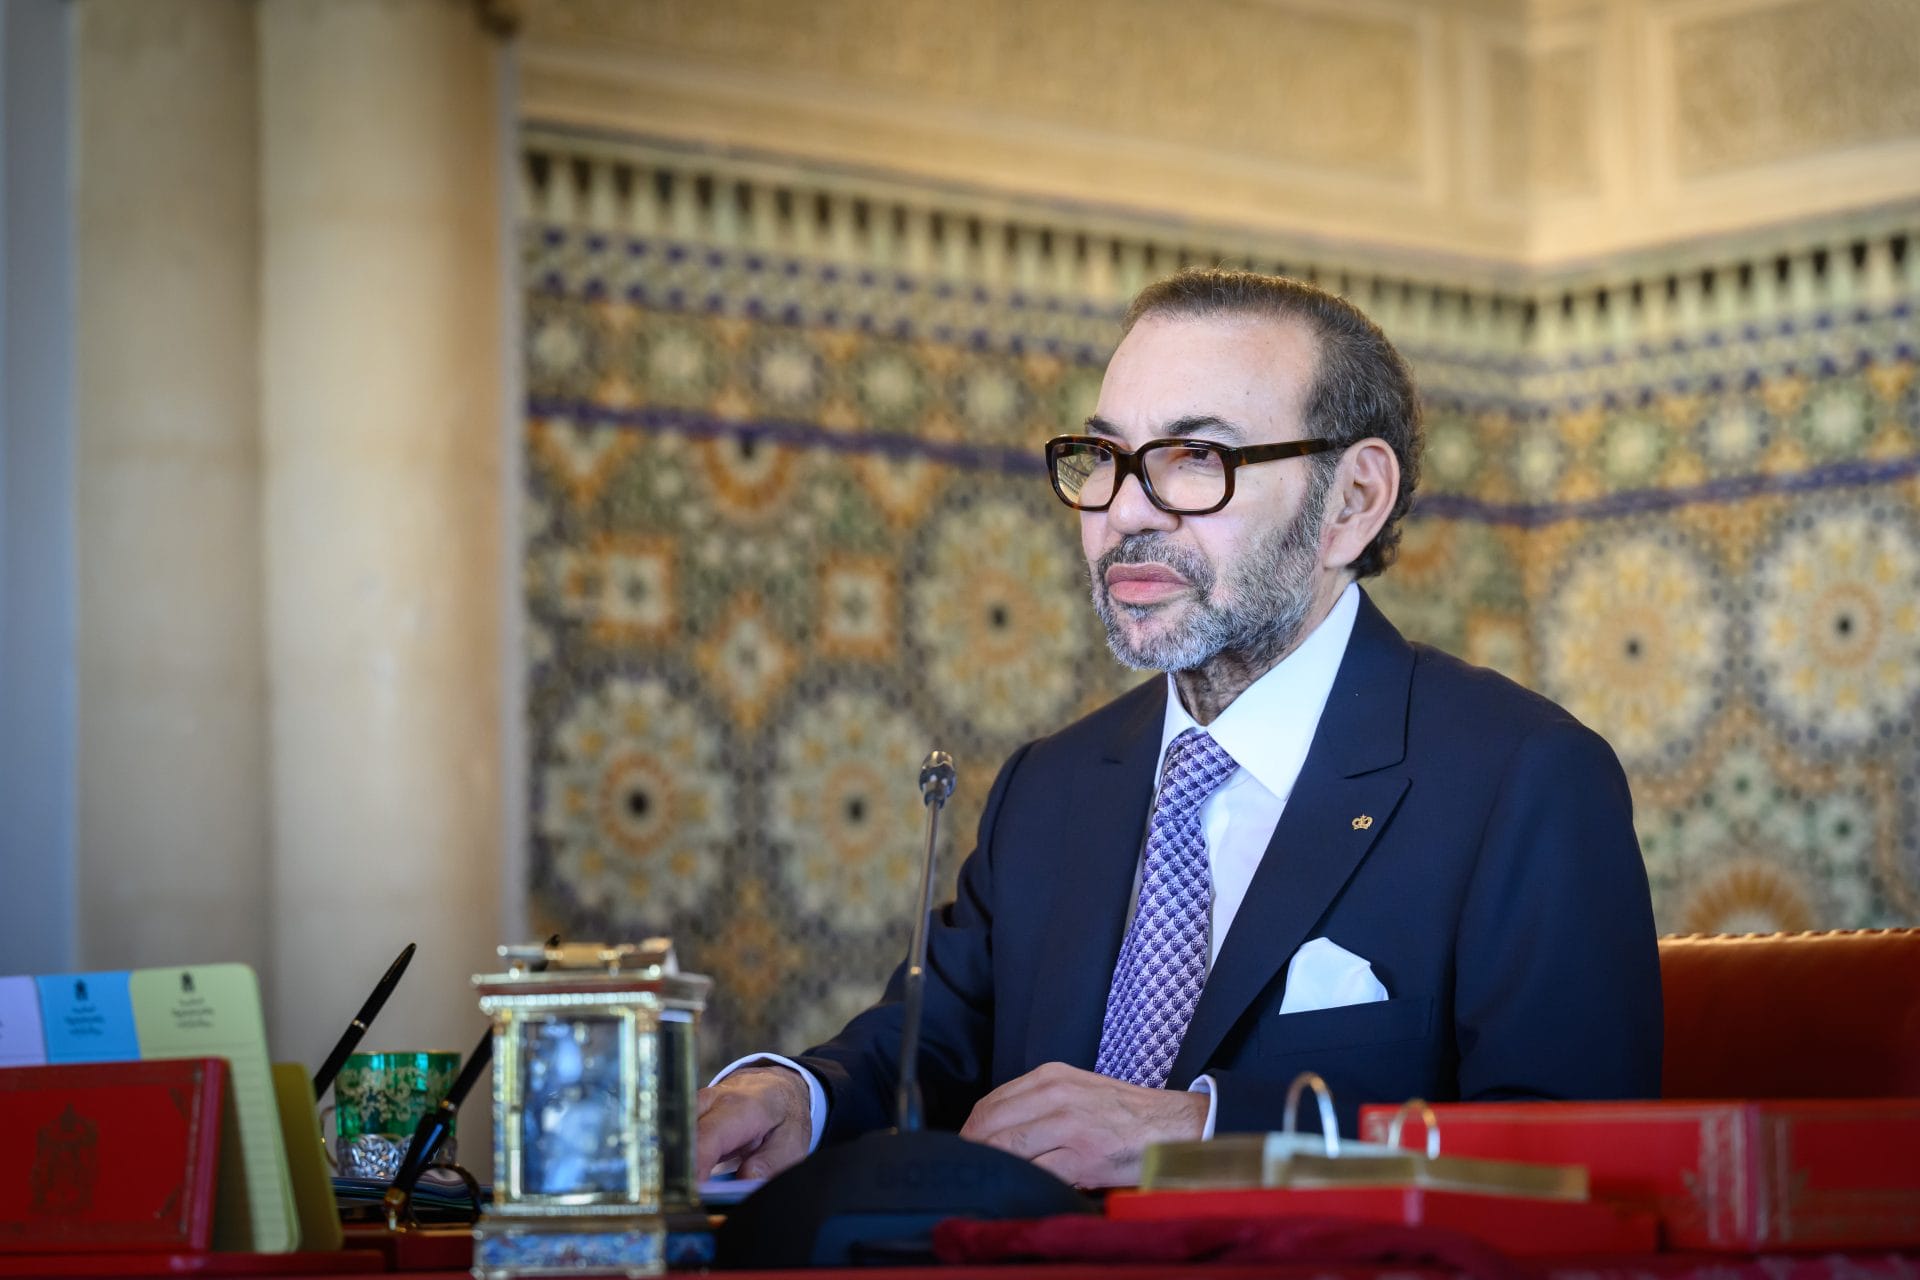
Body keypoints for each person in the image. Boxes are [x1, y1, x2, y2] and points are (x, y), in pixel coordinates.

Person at [696, 268, 1662, 1190]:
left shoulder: (1523, 781)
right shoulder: (1052, 785)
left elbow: (1572, 1162)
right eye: (1106, 458)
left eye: (1197, 459)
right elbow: (930, 1048)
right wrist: (797, 1095)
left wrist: (1205, 1136)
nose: (1123, 512)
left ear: (1353, 501)